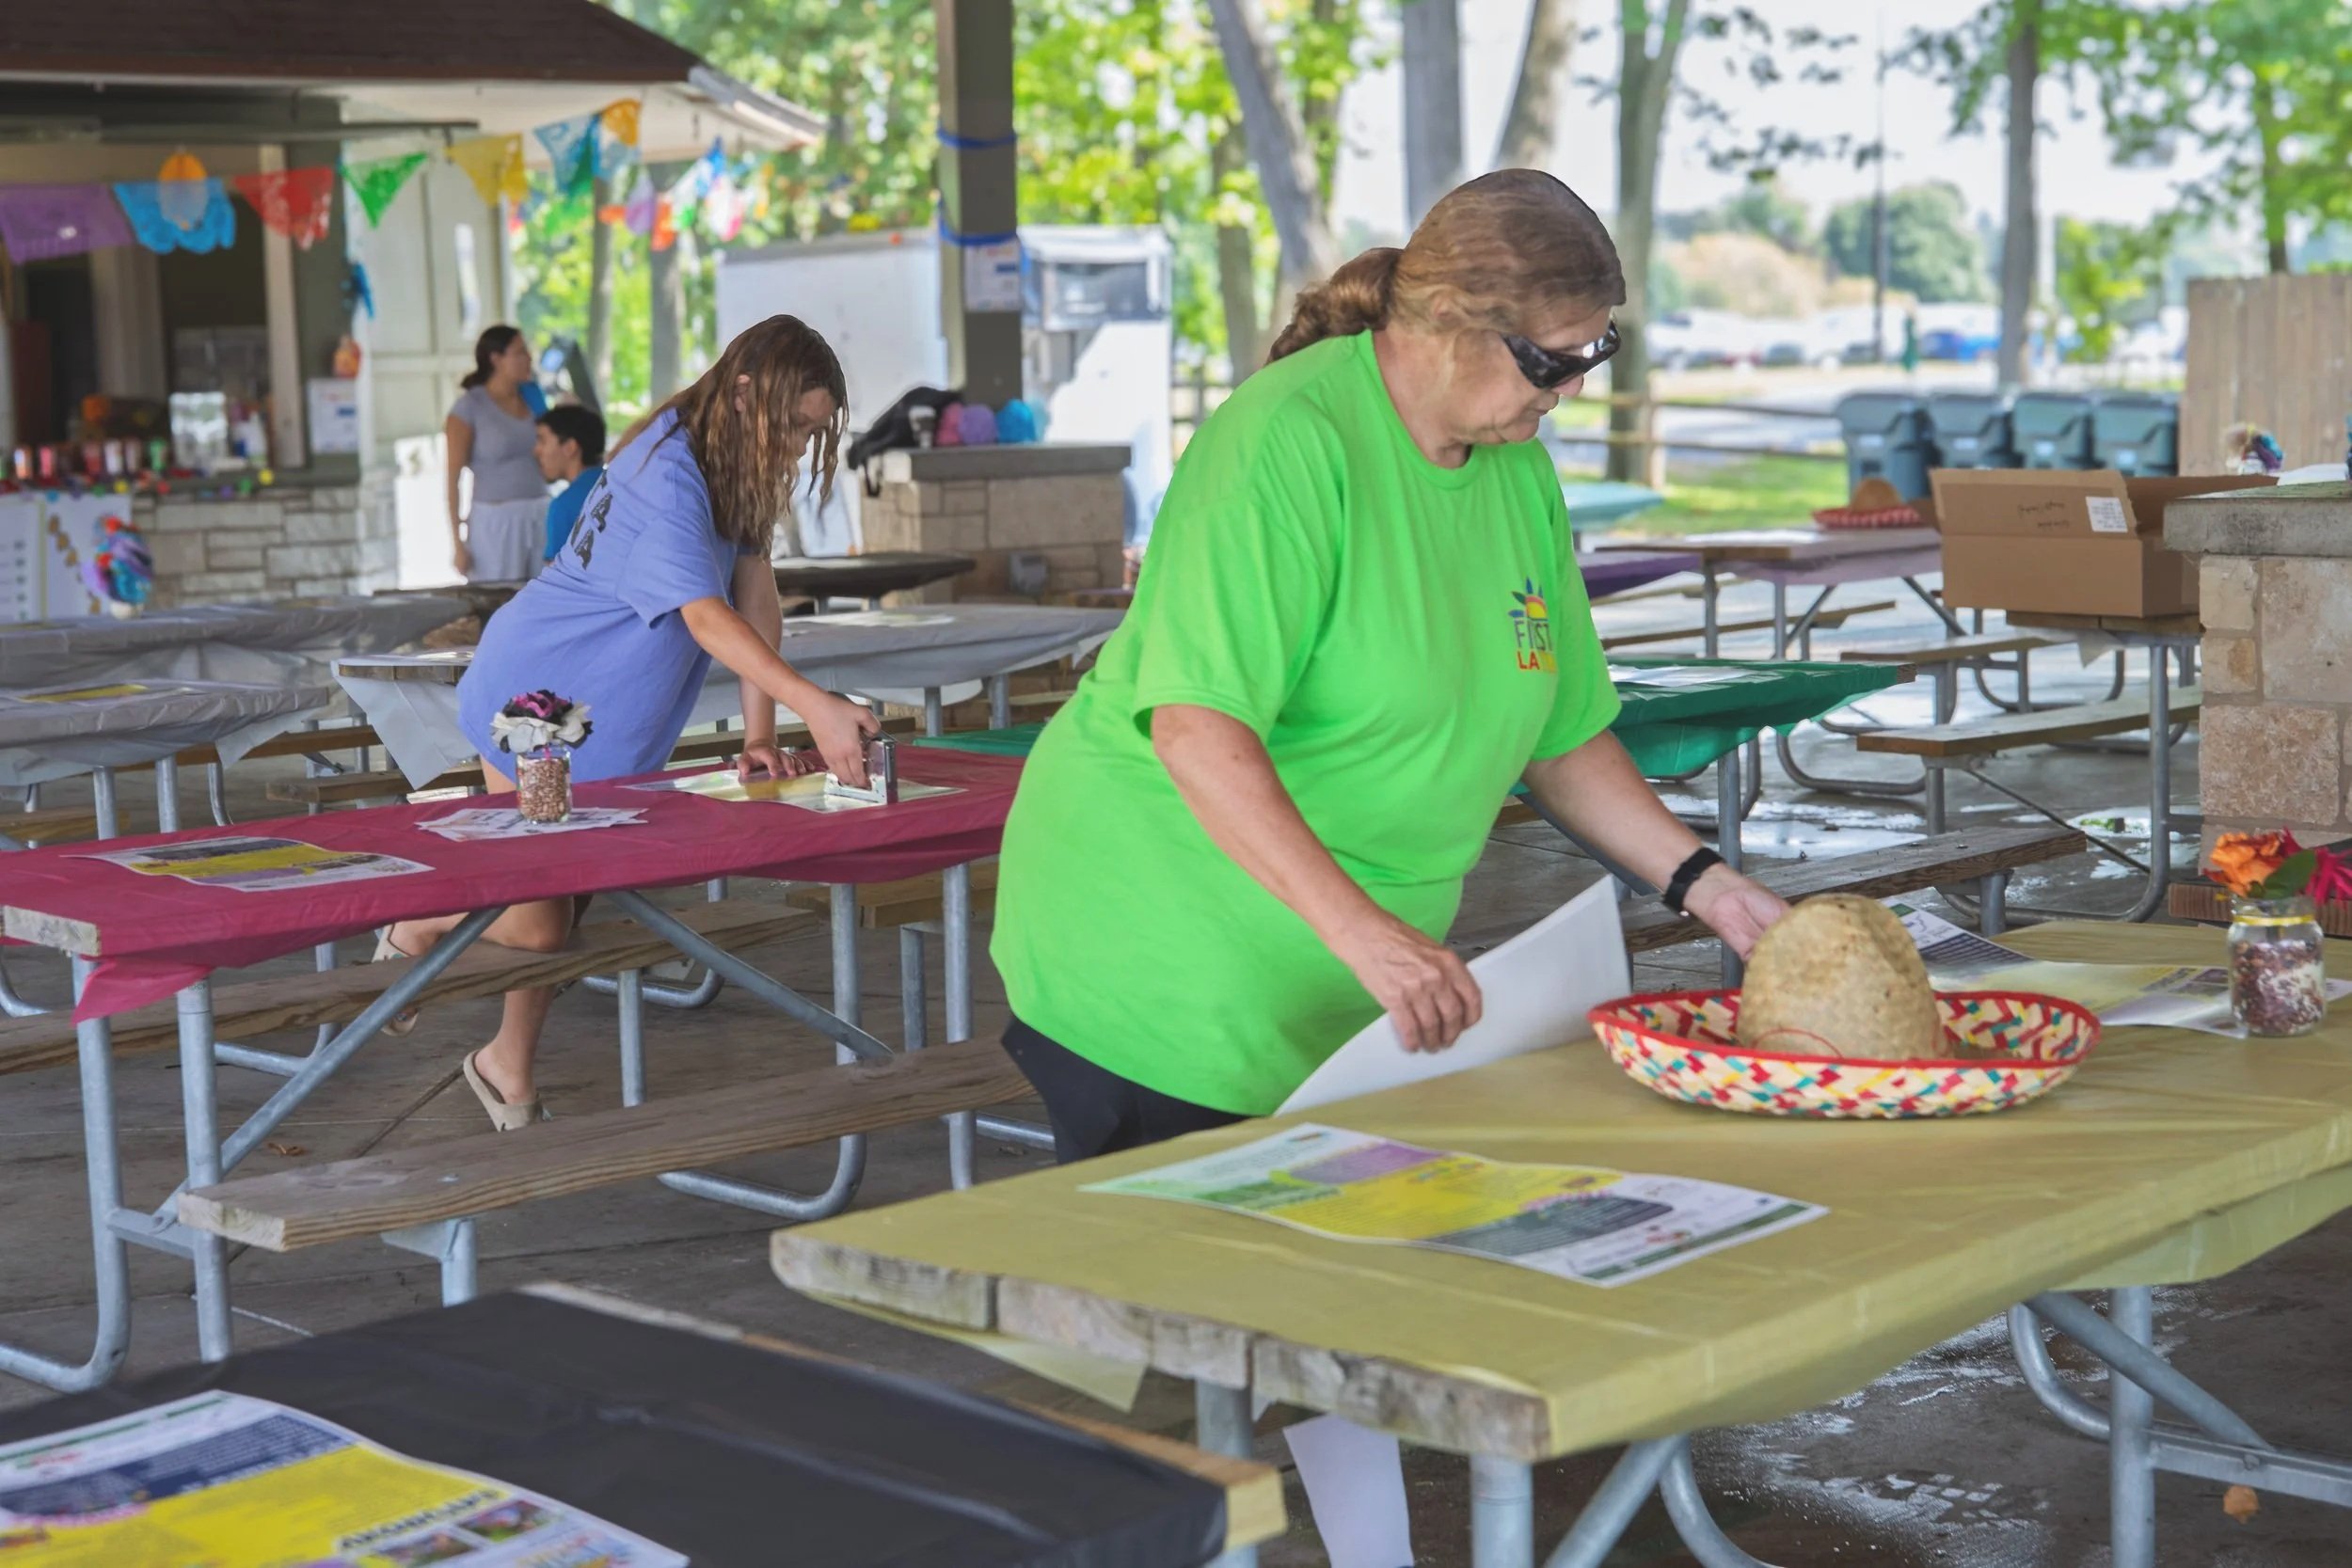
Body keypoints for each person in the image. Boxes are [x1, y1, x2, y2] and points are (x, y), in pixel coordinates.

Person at [992, 170, 1793, 1162]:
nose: (1573, 387)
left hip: (1362, 987)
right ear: (1450, 323)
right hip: (1167, 955)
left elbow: (1561, 732)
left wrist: (1707, 884)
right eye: (1552, 358)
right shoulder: (1284, 443)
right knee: (1210, 1285)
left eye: (1594, 352)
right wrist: (1364, 933)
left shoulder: (1516, 465)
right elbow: (1196, 727)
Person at [383, 315, 882, 1130]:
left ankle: (505, 1062)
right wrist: (813, 705)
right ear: (749, 392)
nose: (797, 447)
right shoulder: (667, 468)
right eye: (794, 427)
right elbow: (707, 618)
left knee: (564, 907)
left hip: (605, 723)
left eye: (812, 433)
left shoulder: (735, 459)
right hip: (538, 696)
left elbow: (755, 592)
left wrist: (760, 735)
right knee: (541, 917)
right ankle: (423, 918)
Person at [448, 325, 552, 584]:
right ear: (496, 359)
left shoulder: (533, 397)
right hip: (495, 522)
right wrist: (458, 544)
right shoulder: (470, 407)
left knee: (542, 595)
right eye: (520, 352)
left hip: (540, 511)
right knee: (499, 600)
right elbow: (452, 479)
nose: (528, 358)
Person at [534, 404, 608, 562]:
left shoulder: (563, 506)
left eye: (542, 441)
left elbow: (556, 580)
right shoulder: (620, 489)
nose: (536, 451)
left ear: (570, 447)